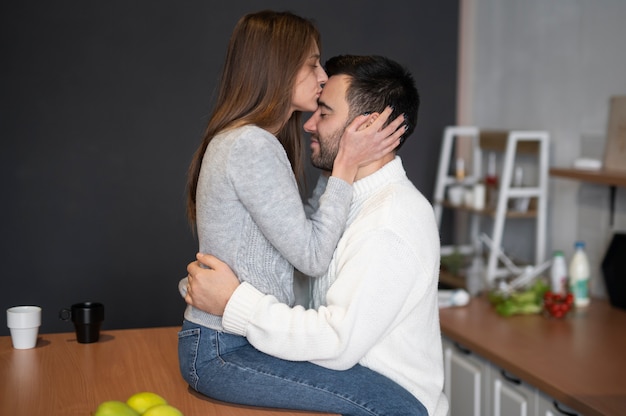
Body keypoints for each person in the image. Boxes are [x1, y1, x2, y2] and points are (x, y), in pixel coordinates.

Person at [183, 55, 449, 416]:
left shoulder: (390, 221)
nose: (308, 124)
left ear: (368, 126)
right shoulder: (345, 198)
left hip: (392, 401)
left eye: (324, 113)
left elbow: (335, 340)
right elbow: (297, 267)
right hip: (350, 384)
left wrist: (233, 302)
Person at [181, 11, 403, 350]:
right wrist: (346, 161)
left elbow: (305, 229)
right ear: (278, 69)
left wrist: (337, 163)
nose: (323, 76)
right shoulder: (251, 146)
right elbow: (313, 258)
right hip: (229, 344)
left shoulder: (247, 141)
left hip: (228, 339)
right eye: (312, 65)